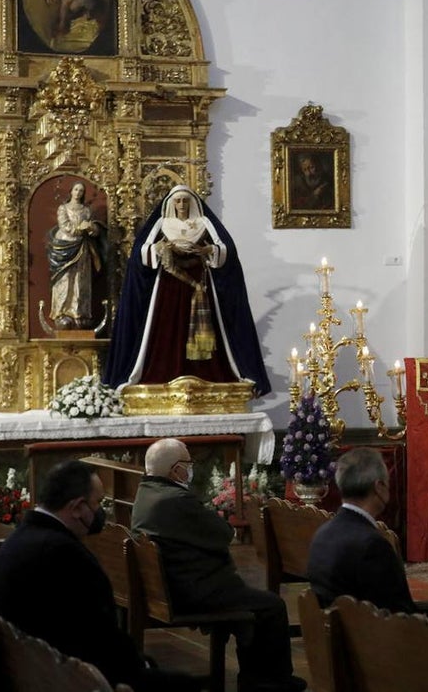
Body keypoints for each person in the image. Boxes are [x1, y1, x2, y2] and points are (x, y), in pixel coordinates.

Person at [0, 460, 194, 691]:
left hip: (31, 669)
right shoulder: (63, 553)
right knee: (183, 685)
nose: (101, 512)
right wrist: (141, 666)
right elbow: (99, 636)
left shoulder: (22, 538)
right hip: (70, 678)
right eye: (98, 503)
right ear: (77, 507)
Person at [131, 439, 305, 692]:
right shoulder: (175, 499)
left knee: (253, 604)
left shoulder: (146, 492)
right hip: (193, 589)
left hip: (172, 583)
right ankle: (272, 681)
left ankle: (256, 676)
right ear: (175, 470)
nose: (191, 468)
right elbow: (223, 534)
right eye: (188, 463)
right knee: (272, 605)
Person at [103, 185, 271, 396]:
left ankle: (205, 375)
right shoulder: (162, 223)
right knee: (167, 327)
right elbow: (141, 252)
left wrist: (206, 249)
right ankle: (164, 372)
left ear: (191, 202)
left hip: (200, 283)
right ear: (172, 203)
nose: (181, 205)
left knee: (208, 333)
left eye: (185, 201)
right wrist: (162, 248)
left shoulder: (204, 223)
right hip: (168, 285)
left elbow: (225, 249)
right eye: (178, 201)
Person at [307, 448, 428, 626]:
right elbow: (401, 617)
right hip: (376, 648)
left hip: (342, 644)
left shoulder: (322, 535)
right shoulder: (372, 546)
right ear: (379, 487)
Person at [47, 181, 104, 330]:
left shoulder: (86, 210)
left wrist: (92, 228)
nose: (78, 192)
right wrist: (80, 228)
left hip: (83, 248)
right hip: (65, 247)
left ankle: (79, 313)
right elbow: (65, 226)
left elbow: (94, 230)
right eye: (76, 189)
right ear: (71, 191)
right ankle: (61, 313)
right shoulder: (63, 208)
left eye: (81, 190)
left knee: (81, 280)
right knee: (65, 280)